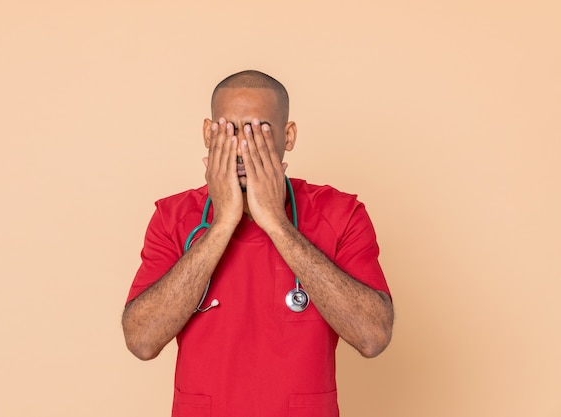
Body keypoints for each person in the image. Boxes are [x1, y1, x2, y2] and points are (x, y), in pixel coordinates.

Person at [122, 70, 394, 417]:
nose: (241, 147)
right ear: (208, 133)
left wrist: (277, 224)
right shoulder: (172, 216)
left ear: (288, 135)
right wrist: (222, 225)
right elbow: (142, 341)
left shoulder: (341, 214)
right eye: (228, 130)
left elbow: (372, 337)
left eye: (258, 130)